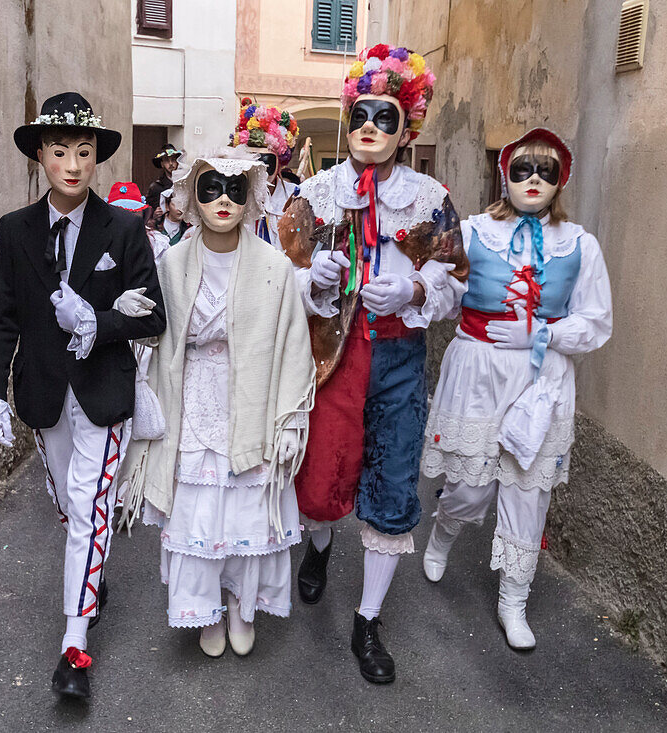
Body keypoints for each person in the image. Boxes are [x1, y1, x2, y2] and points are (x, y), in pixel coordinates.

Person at [277, 45, 468, 684]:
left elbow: (458, 283)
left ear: (406, 126)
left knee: (389, 487)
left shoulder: (431, 199)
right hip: (331, 353)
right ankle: (320, 548)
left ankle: (367, 620)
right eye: (361, 113)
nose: (370, 128)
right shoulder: (313, 194)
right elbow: (281, 278)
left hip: (397, 359)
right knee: (323, 471)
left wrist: (416, 290)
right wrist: (314, 282)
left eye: (385, 118)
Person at [0, 92, 166, 699]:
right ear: (41, 155)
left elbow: (152, 316)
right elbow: (2, 318)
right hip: (43, 394)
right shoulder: (15, 230)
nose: (74, 164)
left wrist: (97, 320)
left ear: (96, 158)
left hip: (105, 393)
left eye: (84, 152)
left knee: (88, 510)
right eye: (61, 151)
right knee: (70, 508)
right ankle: (91, 574)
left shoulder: (124, 229)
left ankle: (74, 647)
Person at [419, 128, 612, 650]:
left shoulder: (580, 244)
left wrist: (544, 332)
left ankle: (514, 601)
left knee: (528, 491)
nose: (532, 179)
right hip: (477, 371)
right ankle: (444, 531)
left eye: (545, 170)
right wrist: (414, 294)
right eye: (522, 168)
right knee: (469, 487)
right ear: (504, 173)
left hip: (541, 379)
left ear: (561, 180)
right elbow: (442, 291)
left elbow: (597, 322)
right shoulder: (474, 230)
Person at [121, 147, 315, 659]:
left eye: (234, 189)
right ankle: (204, 609)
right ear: (192, 196)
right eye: (211, 189)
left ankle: (239, 605)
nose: (223, 200)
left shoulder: (274, 267)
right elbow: (154, 336)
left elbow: (295, 343)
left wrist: (291, 416)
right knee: (199, 512)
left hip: (251, 401)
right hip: (191, 406)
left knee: (244, 509)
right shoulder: (172, 263)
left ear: (250, 197)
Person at [227, 98, 299, 248]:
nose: (260, 169)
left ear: (279, 163)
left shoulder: (296, 197)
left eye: (266, 163)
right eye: (254, 162)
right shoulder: (231, 195)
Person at [147, 187, 191, 255]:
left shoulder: (188, 229)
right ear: (167, 206)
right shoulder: (155, 226)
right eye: (176, 204)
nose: (180, 209)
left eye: (183, 205)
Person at [146, 142, 183, 214]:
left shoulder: (184, 183)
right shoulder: (156, 187)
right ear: (162, 164)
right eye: (166, 160)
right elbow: (149, 211)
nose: (171, 163)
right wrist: (154, 215)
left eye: (173, 160)